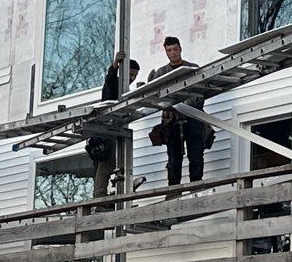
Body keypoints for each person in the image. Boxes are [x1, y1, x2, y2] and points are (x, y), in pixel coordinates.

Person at [148, 35, 211, 186]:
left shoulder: (192, 68)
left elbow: (201, 93)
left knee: (196, 155)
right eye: (170, 50)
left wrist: (188, 107)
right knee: (174, 158)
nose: (173, 52)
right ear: (166, 52)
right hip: (171, 121)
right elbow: (155, 96)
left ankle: (196, 188)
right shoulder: (161, 73)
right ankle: (173, 192)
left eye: (175, 49)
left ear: (180, 49)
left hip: (192, 117)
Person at [87, 56, 140, 197]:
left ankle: (115, 189)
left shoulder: (124, 89)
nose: (133, 78)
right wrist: (114, 66)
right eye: (131, 74)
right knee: (105, 164)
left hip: (113, 128)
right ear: (124, 71)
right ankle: (100, 196)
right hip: (106, 129)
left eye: (135, 75)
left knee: (114, 161)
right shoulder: (116, 83)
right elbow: (109, 80)